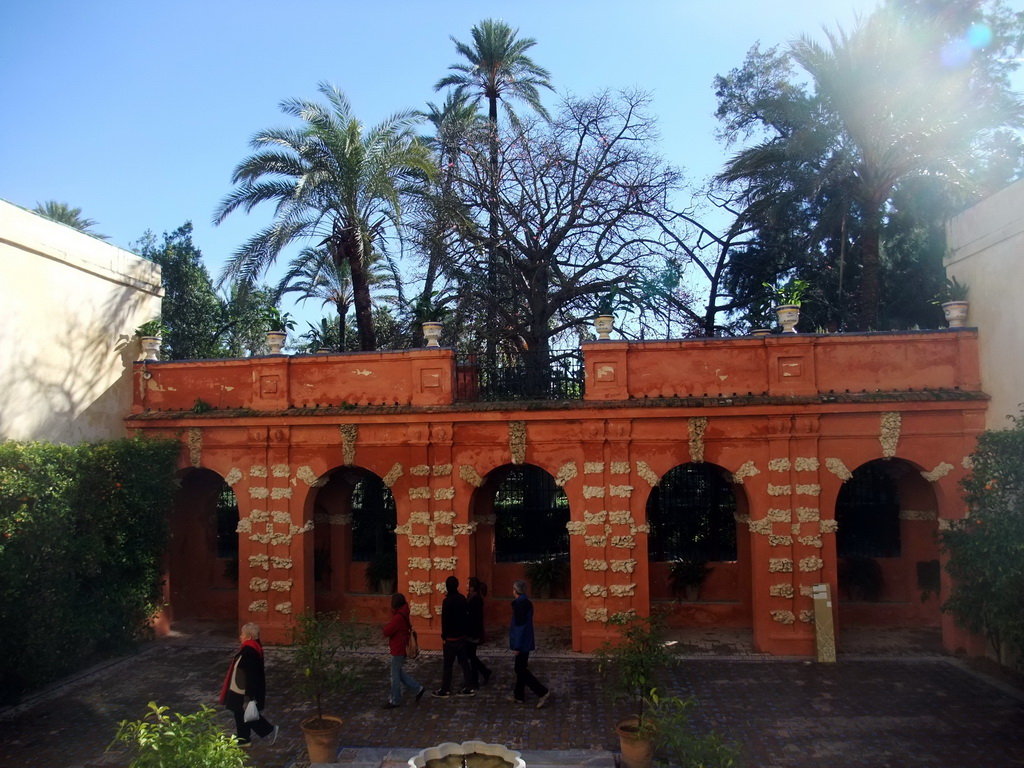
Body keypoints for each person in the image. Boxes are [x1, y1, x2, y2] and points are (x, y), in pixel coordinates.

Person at [219, 622, 279, 746]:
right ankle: (243, 739)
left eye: (242, 634)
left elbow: (251, 676)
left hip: (242, 690)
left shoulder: (250, 652)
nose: (240, 636)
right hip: (238, 688)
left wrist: (248, 697)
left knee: (247, 714)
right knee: (239, 713)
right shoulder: (248, 649)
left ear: (249, 637)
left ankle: (269, 730)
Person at [509, 579, 551, 709]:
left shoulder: (520, 606)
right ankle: (518, 695)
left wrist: (516, 646)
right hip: (526, 641)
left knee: (520, 669)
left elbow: (519, 627)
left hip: (521, 642)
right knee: (521, 667)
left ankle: (541, 691)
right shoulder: (526, 603)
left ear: (516, 591)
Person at [431, 575, 475, 698]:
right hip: (461, 637)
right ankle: (469, 687)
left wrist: (444, 637)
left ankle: (445, 689)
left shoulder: (447, 601)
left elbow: (445, 621)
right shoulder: (462, 599)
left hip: (450, 639)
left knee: (448, 665)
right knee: (464, 663)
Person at [382, 592, 426, 708]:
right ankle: (418, 688)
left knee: (394, 675)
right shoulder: (403, 613)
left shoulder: (398, 617)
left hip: (398, 648)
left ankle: (395, 700)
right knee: (399, 673)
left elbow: (386, 631)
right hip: (401, 647)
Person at [466, 577, 491, 689]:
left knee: (471, 656)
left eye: (468, 583)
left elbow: (474, 618)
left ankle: (476, 679)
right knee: (471, 655)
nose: (466, 585)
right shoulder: (472, 597)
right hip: (472, 631)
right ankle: (484, 672)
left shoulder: (476, 599)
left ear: (472, 587)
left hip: (473, 632)